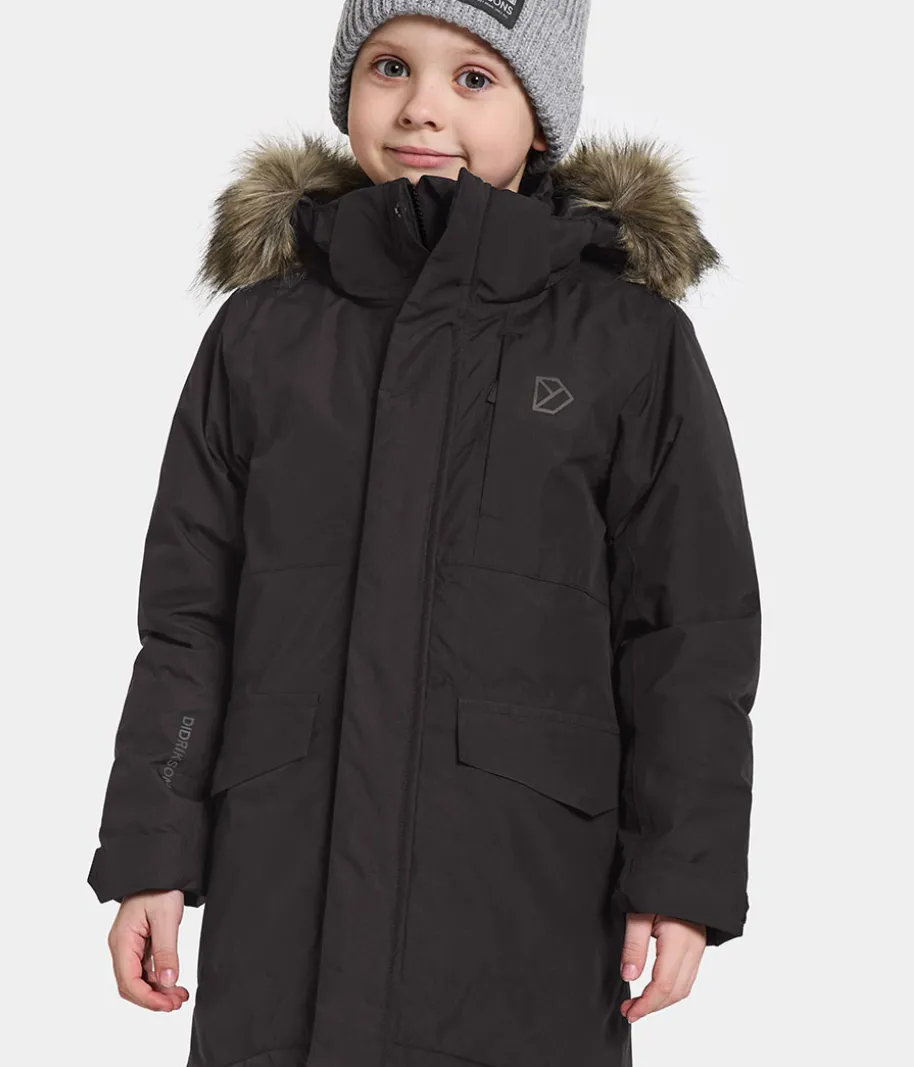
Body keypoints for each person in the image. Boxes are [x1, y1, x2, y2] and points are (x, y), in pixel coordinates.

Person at [88, 2, 761, 1066]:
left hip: (522, 897)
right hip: (285, 895)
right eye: (390, 66)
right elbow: (188, 620)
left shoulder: (627, 343)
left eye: (474, 78)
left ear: (543, 115)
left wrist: (681, 872)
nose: (421, 108)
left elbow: (688, 630)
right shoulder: (263, 335)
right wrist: (151, 850)